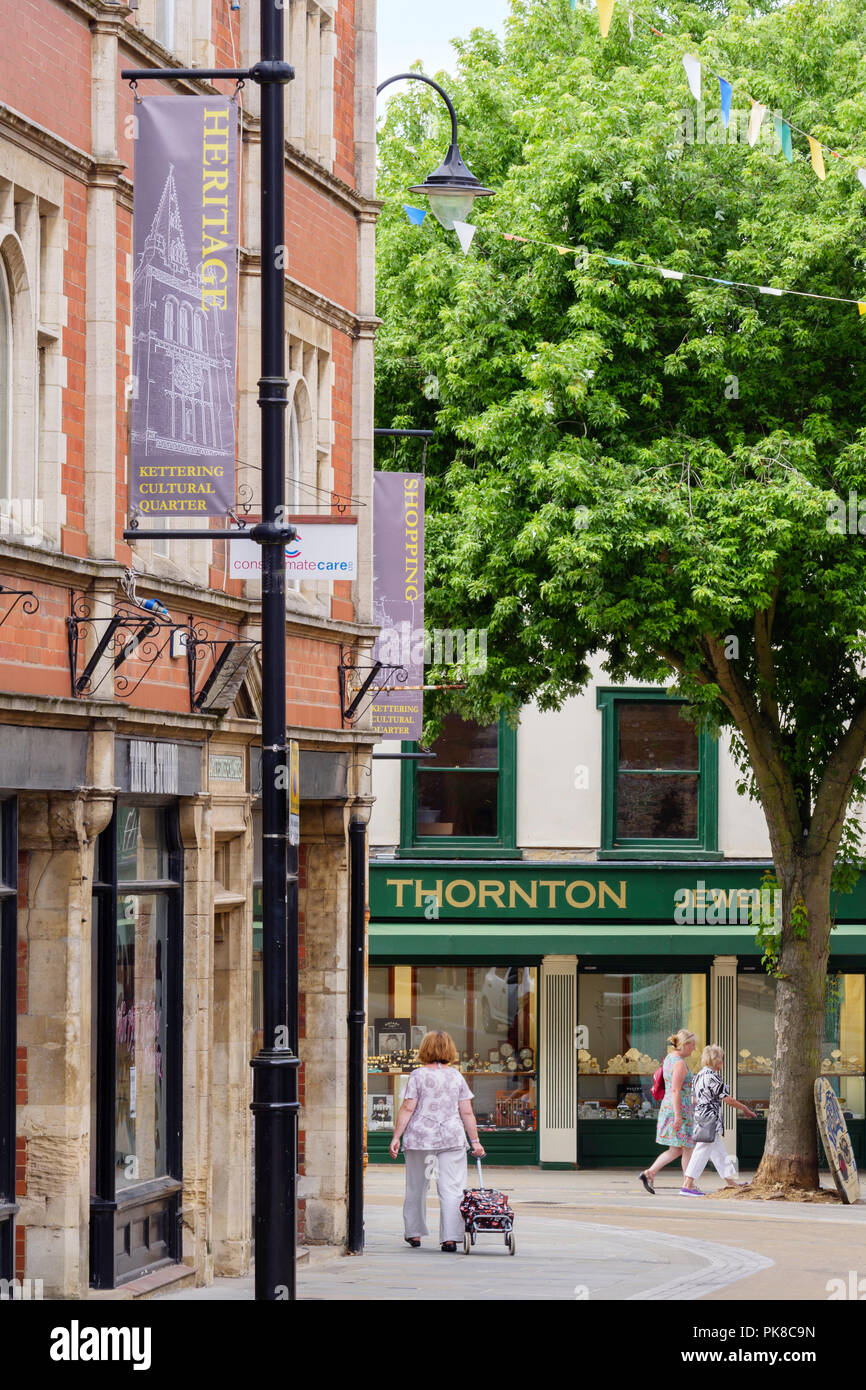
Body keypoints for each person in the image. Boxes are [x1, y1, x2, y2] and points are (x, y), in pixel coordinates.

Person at [389, 1029, 485, 1251]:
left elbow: (408, 1107)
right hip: (451, 1138)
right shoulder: (456, 1076)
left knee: (416, 1186)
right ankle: (450, 1238)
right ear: (450, 1050)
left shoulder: (418, 1075)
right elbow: (467, 1112)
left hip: (420, 1138)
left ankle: (414, 1233)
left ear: (424, 1049)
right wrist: (475, 1141)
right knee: (452, 1188)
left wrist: (396, 1136)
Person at [681, 1044, 756, 1195]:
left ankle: (731, 1182)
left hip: (701, 1117)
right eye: (721, 1058)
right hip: (710, 1119)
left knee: (718, 1152)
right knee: (701, 1151)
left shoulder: (698, 1076)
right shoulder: (713, 1077)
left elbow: (693, 1099)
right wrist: (745, 1108)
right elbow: (728, 1099)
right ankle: (687, 1185)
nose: (722, 1062)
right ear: (717, 1061)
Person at [638, 1028, 698, 1194]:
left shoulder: (669, 1059)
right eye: (693, 1045)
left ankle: (649, 1173)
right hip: (679, 1110)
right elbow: (676, 1090)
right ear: (685, 1045)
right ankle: (688, 1185)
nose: (694, 1048)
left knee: (676, 1149)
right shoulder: (679, 1062)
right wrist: (679, 1116)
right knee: (687, 1147)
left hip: (671, 1107)